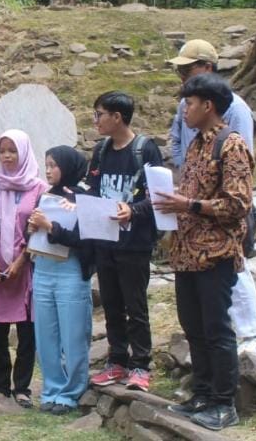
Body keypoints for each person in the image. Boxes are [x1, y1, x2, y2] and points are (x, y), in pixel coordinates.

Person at [154, 73, 253, 432]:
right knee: (193, 328)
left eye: (190, 104)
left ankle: (224, 403)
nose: (184, 111)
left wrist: (189, 205)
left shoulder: (232, 145)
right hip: (186, 254)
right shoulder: (195, 144)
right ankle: (202, 394)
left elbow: (238, 204)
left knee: (216, 329)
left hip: (215, 254)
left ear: (208, 106)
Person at [167, 39, 256, 360]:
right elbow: (175, 139)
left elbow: (237, 159)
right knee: (202, 301)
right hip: (192, 212)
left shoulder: (234, 110)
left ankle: (252, 336)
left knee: (234, 268)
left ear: (208, 68)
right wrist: (187, 172)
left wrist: (203, 189)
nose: (182, 76)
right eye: (180, 71)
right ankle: (209, 360)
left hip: (221, 207)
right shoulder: (186, 106)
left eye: (188, 69)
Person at [87, 91, 163, 392]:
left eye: (99, 115)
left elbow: (157, 197)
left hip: (134, 243)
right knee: (111, 304)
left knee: (135, 305)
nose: (96, 121)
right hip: (105, 242)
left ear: (117, 117)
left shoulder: (145, 150)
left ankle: (141, 364)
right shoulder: (101, 151)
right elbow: (93, 188)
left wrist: (133, 210)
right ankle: (116, 361)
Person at [0, 130, 45, 411]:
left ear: (24, 152)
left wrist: (20, 262)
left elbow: (38, 231)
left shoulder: (38, 188)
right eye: (2, 150)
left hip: (25, 269)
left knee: (26, 331)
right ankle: (1, 385)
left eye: (12, 151)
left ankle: (22, 387)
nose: (6, 156)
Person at [28, 145, 96, 414]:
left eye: (54, 165)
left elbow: (85, 239)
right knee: (46, 335)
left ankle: (71, 392)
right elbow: (35, 234)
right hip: (43, 269)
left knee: (73, 335)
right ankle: (51, 389)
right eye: (46, 165)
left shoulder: (84, 198)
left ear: (68, 167)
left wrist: (50, 227)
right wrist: (33, 227)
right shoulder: (45, 196)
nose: (48, 170)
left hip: (70, 270)